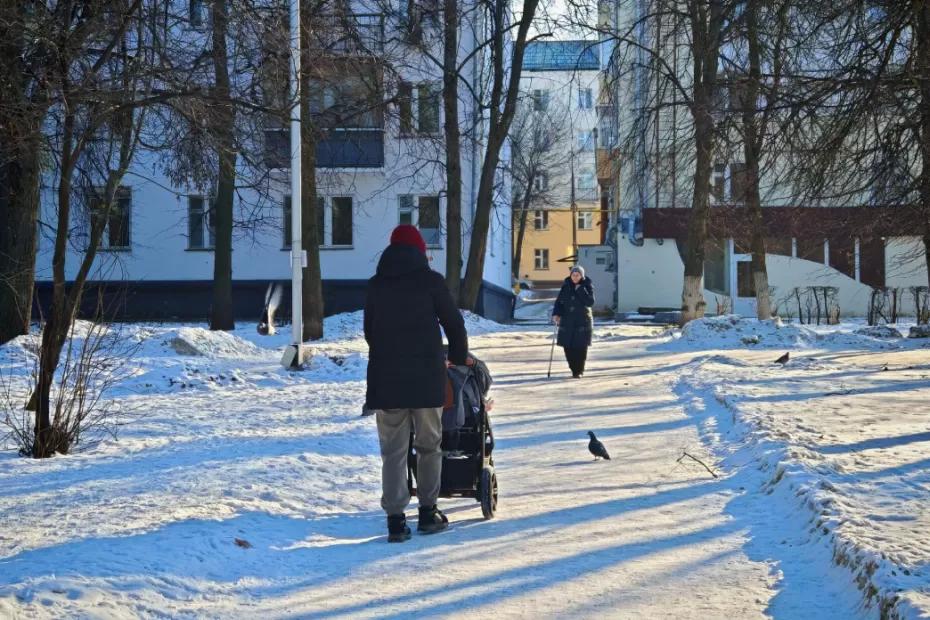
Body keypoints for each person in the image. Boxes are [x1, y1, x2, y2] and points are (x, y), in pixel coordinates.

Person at [364, 224, 469, 542]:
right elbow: (454, 323)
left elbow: (370, 331)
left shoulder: (376, 285)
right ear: (419, 250)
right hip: (426, 379)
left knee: (393, 451)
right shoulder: (431, 282)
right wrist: (459, 358)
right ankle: (427, 512)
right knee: (428, 446)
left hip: (387, 380)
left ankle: (396, 520)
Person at [551, 265, 594, 378]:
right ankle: (573, 368)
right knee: (568, 347)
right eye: (573, 275)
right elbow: (559, 302)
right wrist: (556, 313)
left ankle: (579, 371)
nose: (575, 277)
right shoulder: (566, 286)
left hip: (582, 321)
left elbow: (590, 302)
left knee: (580, 347)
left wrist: (580, 289)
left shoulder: (587, 286)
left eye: (577, 275)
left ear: (582, 276)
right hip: (567, 320)